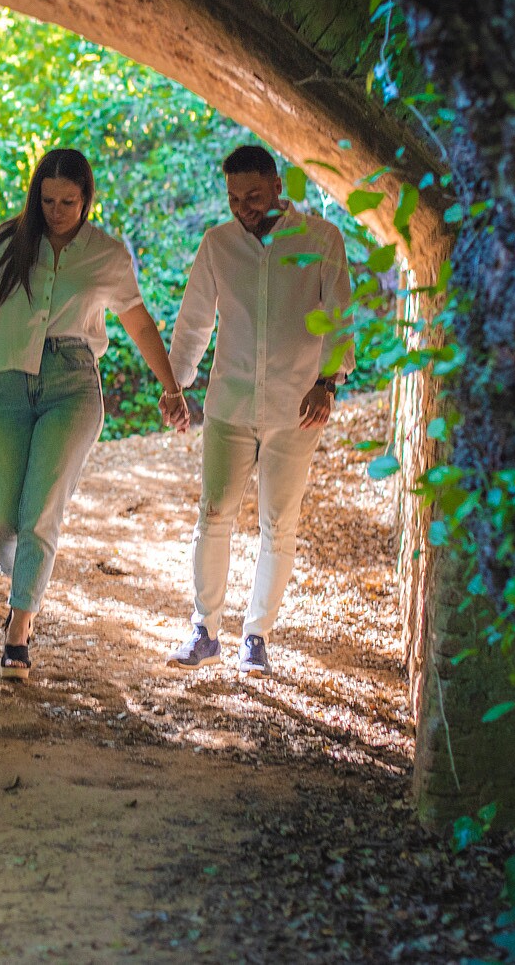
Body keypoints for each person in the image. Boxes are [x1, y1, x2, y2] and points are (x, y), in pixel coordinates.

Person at [0, 148, 189, 681]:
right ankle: (26, 579)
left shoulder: (108, 256)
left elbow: (140, 325)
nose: (56, 210)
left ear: (86, 199)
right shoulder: (11, 244)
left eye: (68, 202)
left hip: (73, 385)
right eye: (47, 200)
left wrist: (170, 388)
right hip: (6, 382)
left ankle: (19, 630)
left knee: (42, 508)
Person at [163, 144, 355, 677]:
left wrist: (327, 383)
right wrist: (176, 385)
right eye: (233, 199)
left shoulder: (321, 240)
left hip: (297, 407)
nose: (244, 208)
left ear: (277, 185)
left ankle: (257, 637)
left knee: (278, 522)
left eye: (253, 196)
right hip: (230, 401)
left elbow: (339, 319)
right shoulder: (217, 245)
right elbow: (196, 321)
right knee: (214, 512)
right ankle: (204, 629)